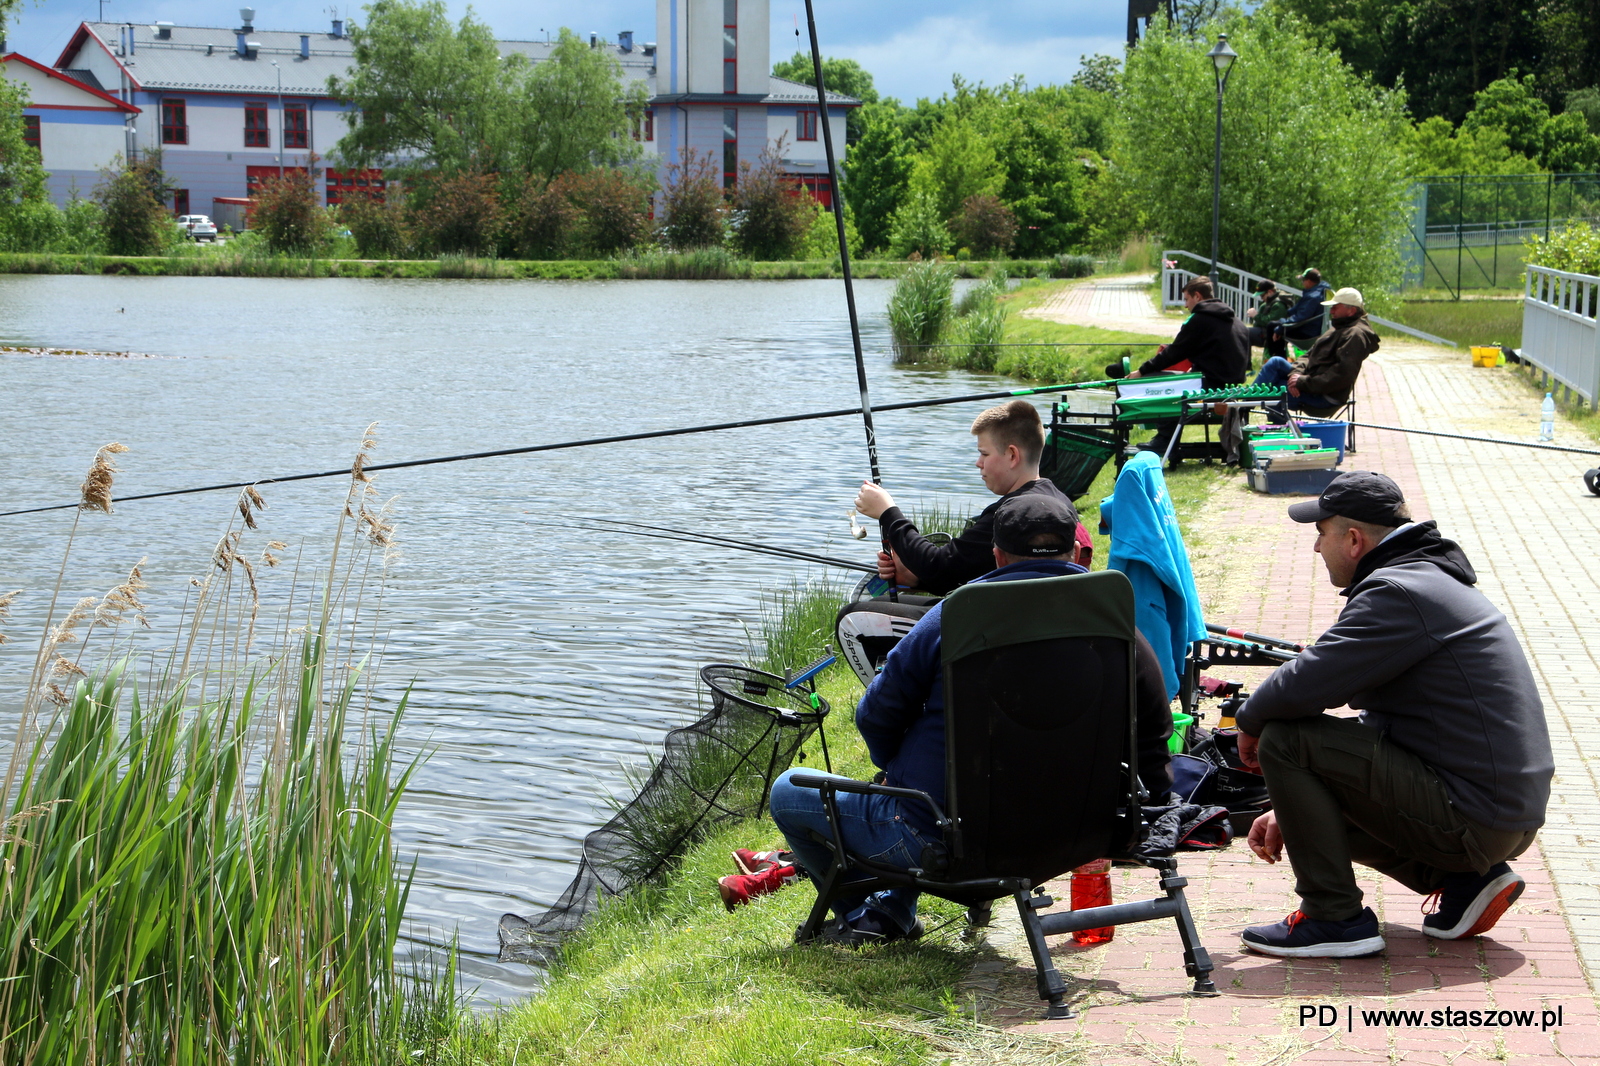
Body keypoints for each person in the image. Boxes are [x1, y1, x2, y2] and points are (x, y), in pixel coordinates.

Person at [768, 494, 1174, 945]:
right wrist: (1152, 804)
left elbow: (876, 715)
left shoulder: (956, 616)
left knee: (789, 790)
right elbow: (1156, 727)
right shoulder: (1115, 621)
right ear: (1076, 552)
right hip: (1078, 833)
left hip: (954, 841)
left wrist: (893, 771)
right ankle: (887, 907)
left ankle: (872, 915)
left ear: (997, 554)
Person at [1234, 472, 1552, 958]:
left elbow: (1308, 682)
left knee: (1286, 738)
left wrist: (1248, 722)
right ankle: (1466, 880)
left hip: (1474, 814)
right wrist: (1294, 809)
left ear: (1354, 539)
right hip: (1498, 813)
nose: (1318, 548)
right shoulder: (1424, 576)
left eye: (1322, 533)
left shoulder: (1398, 592)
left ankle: (1333, 919)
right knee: (1310, 756)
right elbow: (1383, 729)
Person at [854, 399, 1091, 596]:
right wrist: (915, 578)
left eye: (984, 453)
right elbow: (961, 574)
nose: (978, 463)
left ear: (1011, 455)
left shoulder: (1011, 515)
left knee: (857, 616)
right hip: (1036, 611)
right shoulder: (1060, 501)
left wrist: (888, 513)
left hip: (1002, 625)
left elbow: (939, 568)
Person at [1126, 276, 1249, 456]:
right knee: (1177, 380)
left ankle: (1164, 440)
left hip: (1210, 387)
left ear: (1197, 296)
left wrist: (1143, 370)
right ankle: (1167, 439)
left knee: (1163, 385)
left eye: (1186, 299)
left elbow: (1174, 352)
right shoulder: (1237, 321)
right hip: (1231, 386)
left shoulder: (1200, 318)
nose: (1185, 305)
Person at [1254, 286, 1379, 416]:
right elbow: (1308, 355)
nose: (1331, 311)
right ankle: (1242, 405)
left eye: (1336, 307)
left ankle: (1242, 409)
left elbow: (1341, 376)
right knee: (1276, 362)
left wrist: (1302, 382)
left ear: (1351, 311)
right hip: (1310, 381)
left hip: (1324, 396)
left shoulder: (1355, 335)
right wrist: (1295, 376)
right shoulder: (1340, 326)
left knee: (1274, 389)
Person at [1271, 268, 1332, 353]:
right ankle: (1278, 357)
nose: (1302, 283)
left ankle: (1275, 358)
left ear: (1309, 281)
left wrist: (1281, 325)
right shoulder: (1319, 292)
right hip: (1312, 328)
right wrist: (1285, 314)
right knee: (1276, 324)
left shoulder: (1313, 297)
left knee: (1273, 326)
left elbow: (1301, 317)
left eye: (1303, 280)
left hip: (1308, 332)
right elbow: (1297, 310)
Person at [1245, 280, 1296, 360]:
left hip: (1273, 335)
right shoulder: (1267, 304)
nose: (1262, 298)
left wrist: (1256, 315)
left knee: (1245, 334)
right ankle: (1246, 365)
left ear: (1270, 292)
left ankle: (1246, 366)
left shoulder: (1278, 305)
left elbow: (1271, 323)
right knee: (1243, 332)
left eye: (1262, 295)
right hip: (1266, 332)